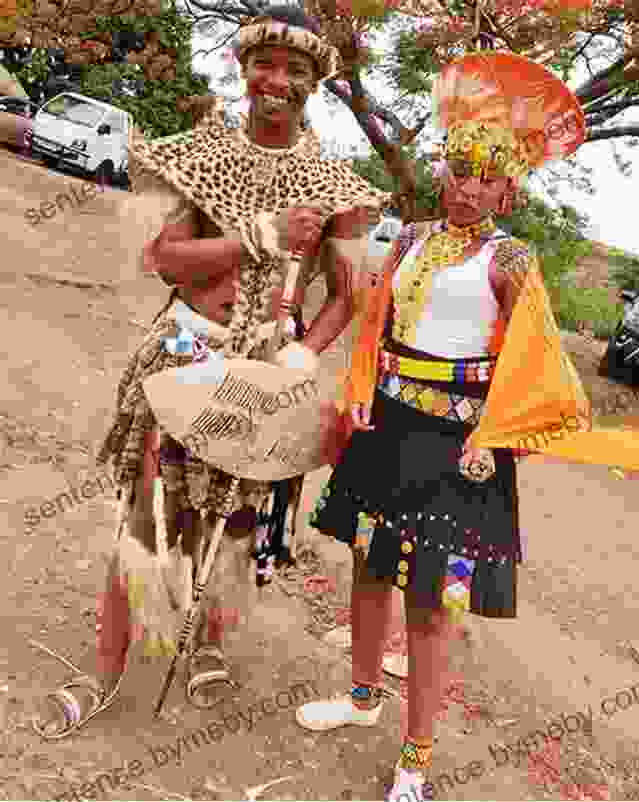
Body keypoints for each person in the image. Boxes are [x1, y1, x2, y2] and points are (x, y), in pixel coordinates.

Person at [34, 4, 387, 737]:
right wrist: (258, 236)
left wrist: (300, 353)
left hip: (266, 381)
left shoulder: (334, 184)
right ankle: (106, 667)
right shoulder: (198, 153)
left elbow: (351, 296)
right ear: (243, 66)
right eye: (266, 63)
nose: (277, 80)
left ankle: (209, 645)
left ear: (316, 81)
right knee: (148, 515)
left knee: (235, 524)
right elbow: (163, 258)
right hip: (185, 358)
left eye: (295, 69)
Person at [296, 51, 587, 801]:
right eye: (458, 170)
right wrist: (358, 387)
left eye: (483, 177)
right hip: (387, 428)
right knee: (366, 571)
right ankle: (362, 700)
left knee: (429, 606)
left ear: (508, 188)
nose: (466, 187)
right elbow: (373, 327)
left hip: (456, 450)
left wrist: (498, 436)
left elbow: (544, 366)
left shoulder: (511, 259)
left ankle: (415, 765)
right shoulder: (412, 239)